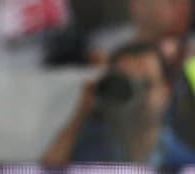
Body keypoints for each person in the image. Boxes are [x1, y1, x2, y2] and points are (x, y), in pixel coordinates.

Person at [42, 41, 195, 167]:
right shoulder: (93, 145)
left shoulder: (185, 163)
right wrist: (83, 109)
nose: (136, 96)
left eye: (145, 85)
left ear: (165, 93)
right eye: (125, 85)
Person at [88, 0, 195, 70]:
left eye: (187, 0)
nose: (184, 7)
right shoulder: (106, 47)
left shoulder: (191, 48)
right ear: (139, 5)